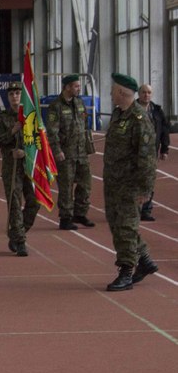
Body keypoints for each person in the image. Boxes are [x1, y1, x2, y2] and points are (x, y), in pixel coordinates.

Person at [103, 73, 158, 292]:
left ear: (121, 92)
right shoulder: (118, 114)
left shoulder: (139, 119)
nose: (110, 94)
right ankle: (144, 260)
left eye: (113, 90)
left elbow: (147, 159)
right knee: (118, 225)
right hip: (114, 183)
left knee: (125, 227)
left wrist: (145, 189)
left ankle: (126, 272)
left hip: (130, 185)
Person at [0, 81, 40, 257]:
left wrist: (25, 152)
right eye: (11, 94)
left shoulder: (31, 115)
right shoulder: (2, 117)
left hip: (29, 165)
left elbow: (39, 141)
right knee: (15, 204)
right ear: (8, 97)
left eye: (18, 93)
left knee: (35, 202)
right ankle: (20, 242)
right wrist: (12, 131)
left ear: (22, 96)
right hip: (11, 168)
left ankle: (15, 234)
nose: (15, 97)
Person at [46, 74, 95, 230]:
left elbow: (84, 125)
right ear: (67, 87)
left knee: (85, 184)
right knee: (66, 187)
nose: (78, 88)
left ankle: (80, 213)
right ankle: (66, 218)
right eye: (76, 86)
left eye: (79, 86)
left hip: (81, 152)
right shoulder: (56, 106)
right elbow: (52, 132)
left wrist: (87, 144)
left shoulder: (79, 103)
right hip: (65, 154)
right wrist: (57, 150)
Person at [136, 83, 171, 222]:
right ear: (139, 94)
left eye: (149, 92)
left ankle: (146, 210)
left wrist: (165, 149)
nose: (146, 95)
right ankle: (132, 209)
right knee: (133, 180)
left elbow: (164, 130)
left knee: (149, 181)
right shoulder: (131, 110)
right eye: (144, 92)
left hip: (151, 152)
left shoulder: (156, 111)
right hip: (134, 152)